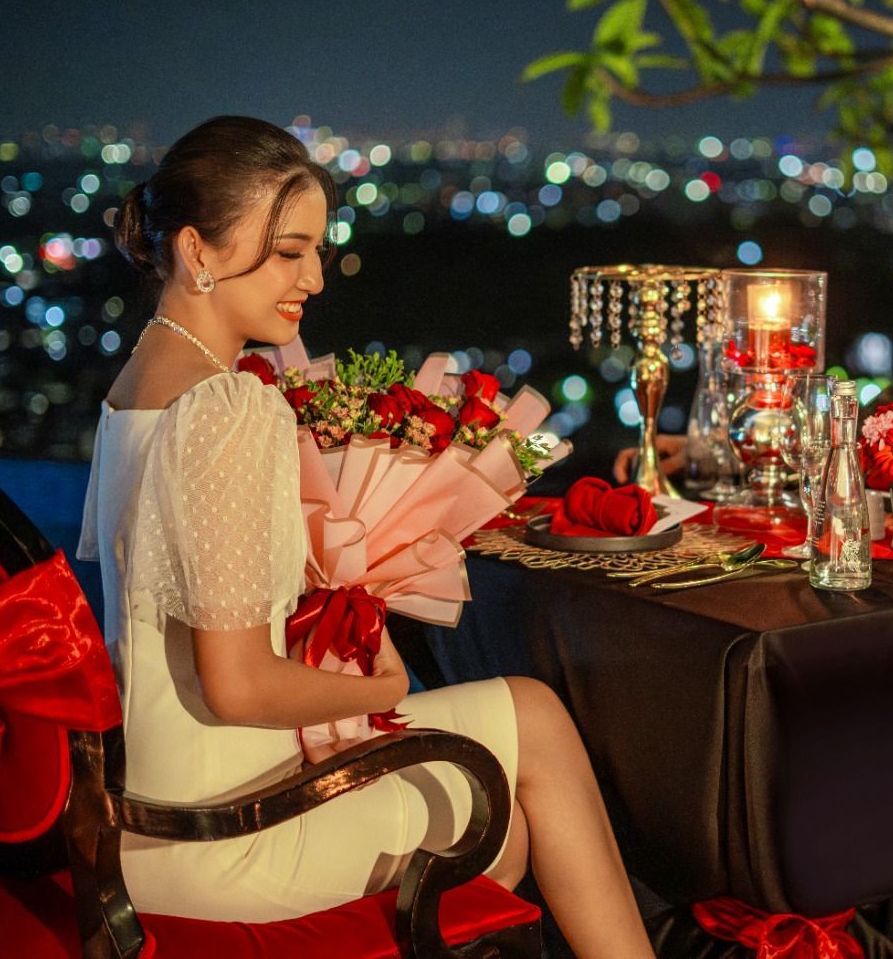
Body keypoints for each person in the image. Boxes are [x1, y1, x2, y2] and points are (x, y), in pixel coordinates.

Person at [78, 115, 652, 956]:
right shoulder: (225, 406)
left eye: (316, 251)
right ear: (197, 250)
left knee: (513, 795)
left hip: (145, 812)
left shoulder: (137, 387)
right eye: (288, 252)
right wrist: (379, 687)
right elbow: (235, 685)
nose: (314, 277)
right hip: (220, 833)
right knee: (530, 731)